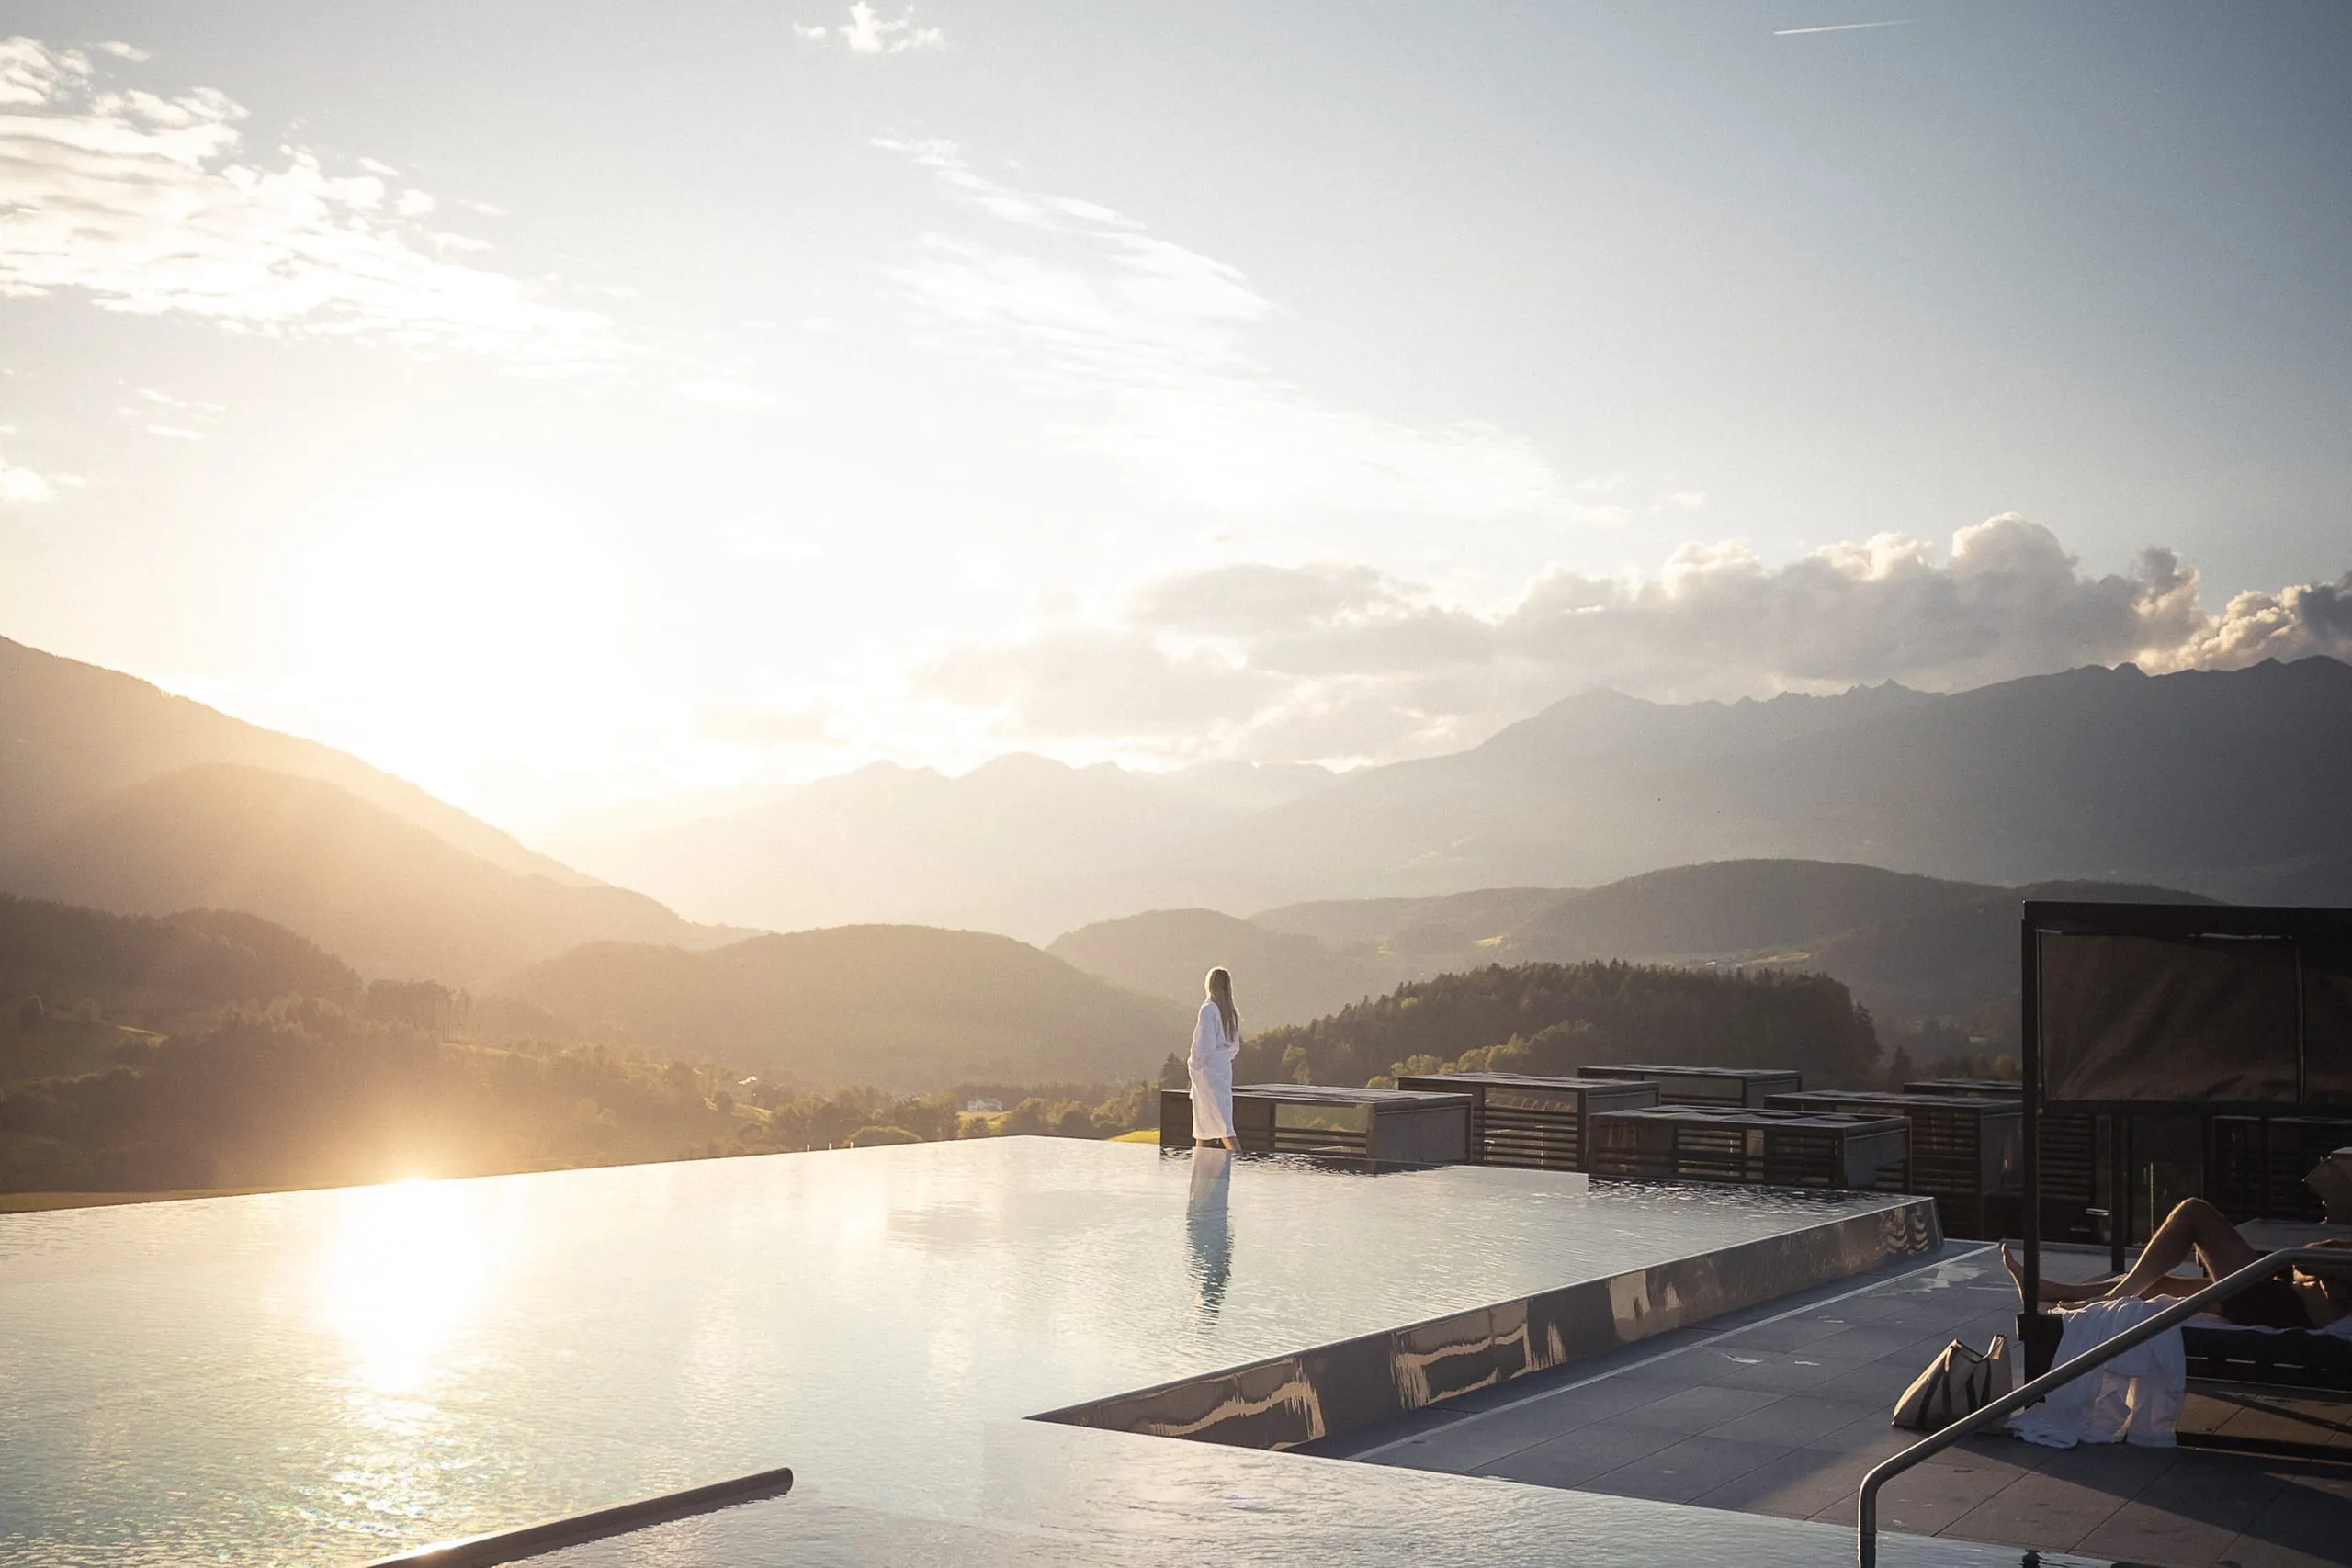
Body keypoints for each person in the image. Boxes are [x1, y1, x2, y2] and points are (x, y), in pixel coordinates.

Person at [2003, 1197, 2352, 1330]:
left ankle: (2108, 1300)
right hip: (2281, 1293)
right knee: (2155, 1283)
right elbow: (2316, 1259)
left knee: (2193, 1213)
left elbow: (2313, 1262)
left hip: (2282, 1307)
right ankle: (2046, 1291)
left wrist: (2316, 1262)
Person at [1189, 967, 1241, 1151]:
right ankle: (1201, 1172)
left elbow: (1204, 1044)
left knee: (1220, 1126)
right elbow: (1234, 1046)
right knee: (1210, 1123)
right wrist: (1223, 1060)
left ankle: (1239, 1166)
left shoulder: (1208, 1009)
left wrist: (1194, 1064)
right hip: (1223, 1069)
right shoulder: (1230, 1012)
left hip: (1208, 1071)